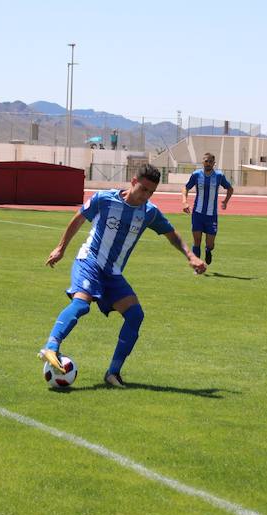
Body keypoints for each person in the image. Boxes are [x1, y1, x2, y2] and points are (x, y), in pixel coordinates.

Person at [39, 164, 206, 388]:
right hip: (89, 261)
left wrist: (190, 255)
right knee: (81, 305)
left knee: (135, 315)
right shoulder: (104, 199)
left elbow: (171, 233)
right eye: (143, 189)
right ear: (133, 181)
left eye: (151, 192)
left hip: (113, 274)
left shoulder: (149, 212)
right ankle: (51, 346)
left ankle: (113, 373)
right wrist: (60, 248)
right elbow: (79, 217)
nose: (146, 195)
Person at [181, 152, 234, 265]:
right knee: (197, 242)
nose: (208, 163)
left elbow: (230, 189)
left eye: (211, 162)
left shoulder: (219, 176)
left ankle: (208, 250)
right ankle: (197, 265)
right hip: (197, 214)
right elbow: (186, 188)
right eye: (206, 161)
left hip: (212, 215)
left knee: (210, 244)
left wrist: (225, 201)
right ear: (202, 162)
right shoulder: (196, 175)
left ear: (214, 164)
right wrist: (184, 202)